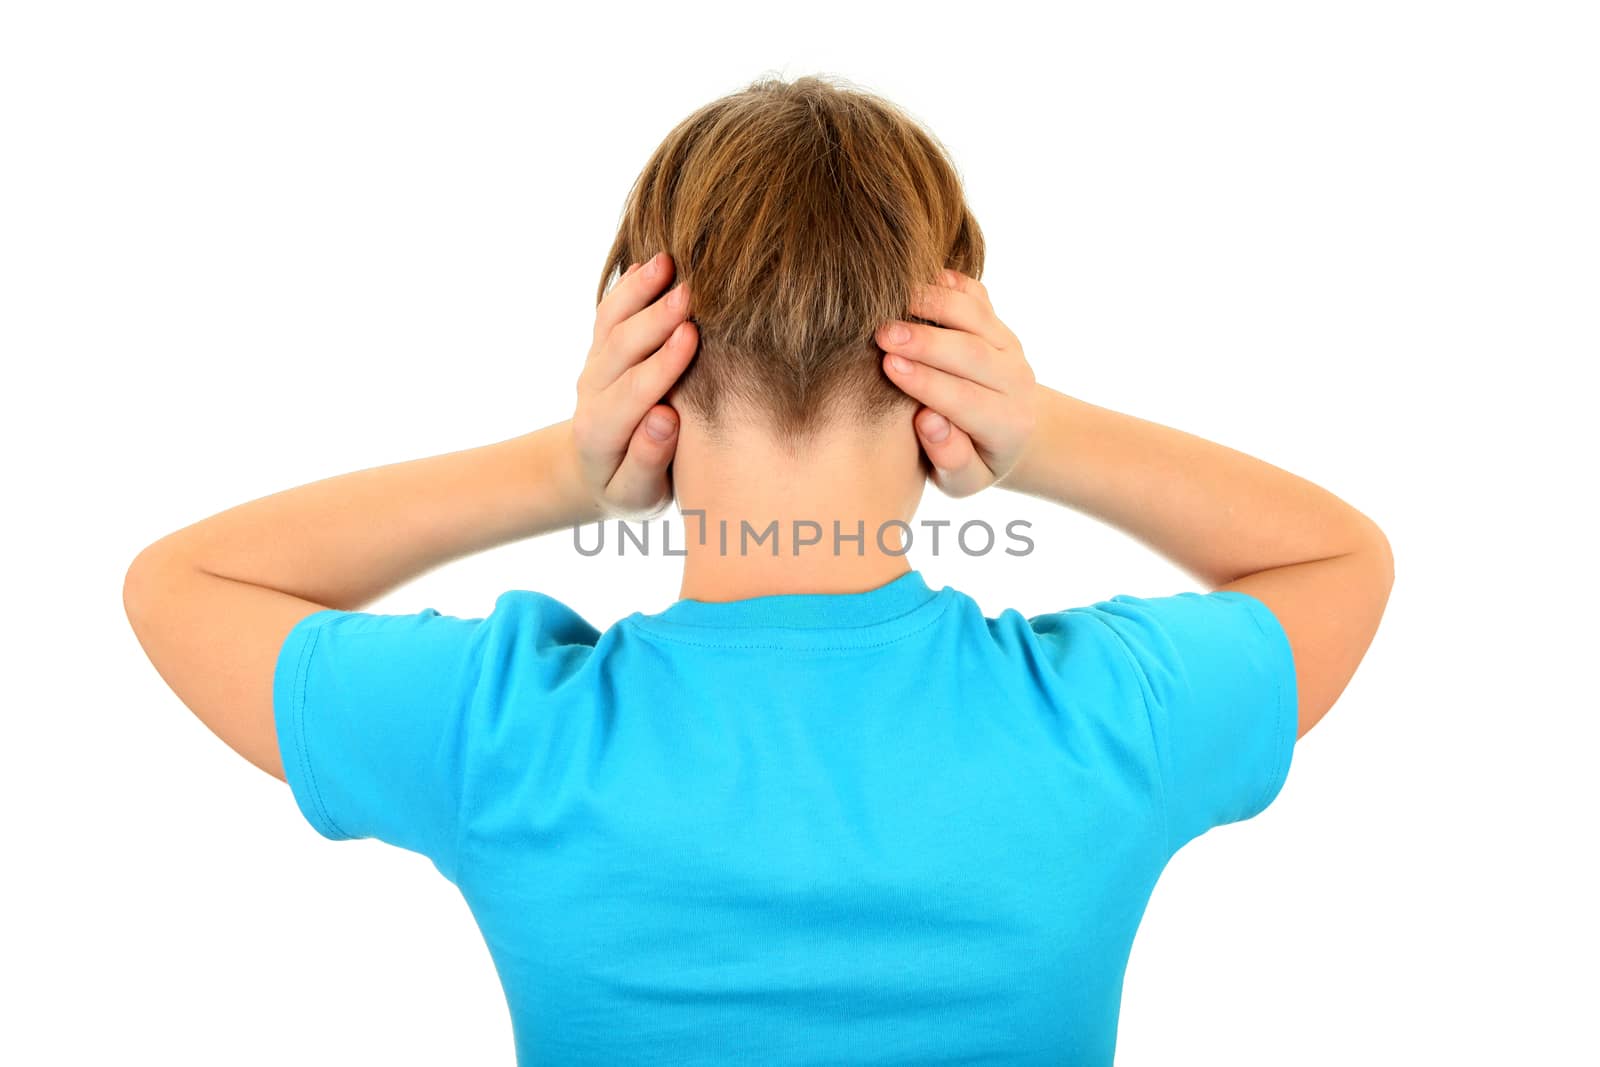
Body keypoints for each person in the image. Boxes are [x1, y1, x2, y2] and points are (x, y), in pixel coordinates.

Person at [123, 74, 1393, 1065]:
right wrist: (1044, 432)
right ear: (950, 370)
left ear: (648, 365)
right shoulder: (1110, 716)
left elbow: (182, 583)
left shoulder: (500, 731)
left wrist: (562, 469)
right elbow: (1339, 555)